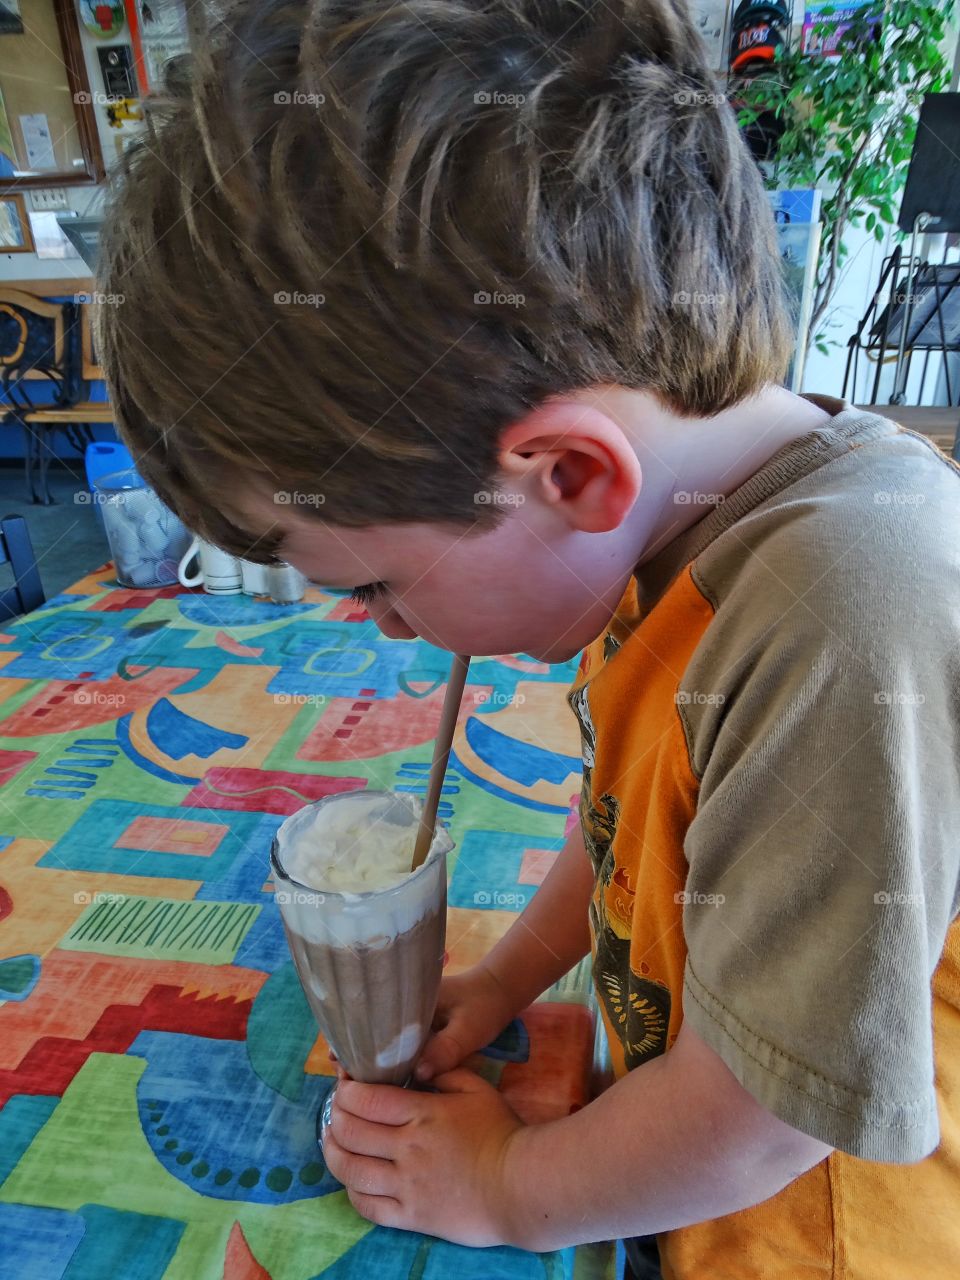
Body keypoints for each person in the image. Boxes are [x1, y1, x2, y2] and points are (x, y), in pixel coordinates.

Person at [94, 1, 960, 1275]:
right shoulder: (662, 527)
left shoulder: (845, 613)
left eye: (380, 586)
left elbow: (765, 1112)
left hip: (817, 1237)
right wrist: (506, 974)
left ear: (564, 472)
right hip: (677, 1171)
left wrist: (509, 1185)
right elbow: (624, 822)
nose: (378, 623)